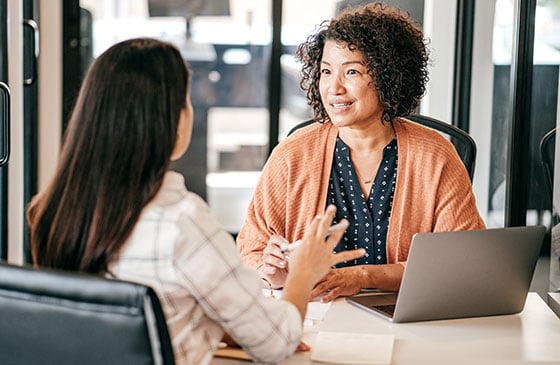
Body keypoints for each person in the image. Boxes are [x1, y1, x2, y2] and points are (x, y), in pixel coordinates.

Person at [26, 38, 364, 364]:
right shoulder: (182, 222)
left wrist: (224, 326)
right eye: (186, 100)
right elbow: (276, 343)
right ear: (170, 122)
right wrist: (303, 273)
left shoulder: (52, 211)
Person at [237, 2, 486, 303]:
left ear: (387, 75)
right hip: (313, 313)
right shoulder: (291, 155)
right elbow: (251, 250)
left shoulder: (435, 155)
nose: (334, 88)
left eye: (351, 71)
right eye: (326, 71)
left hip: (407, 317)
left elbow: (459, 262)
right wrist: (273, 272)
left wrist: (364, 276)